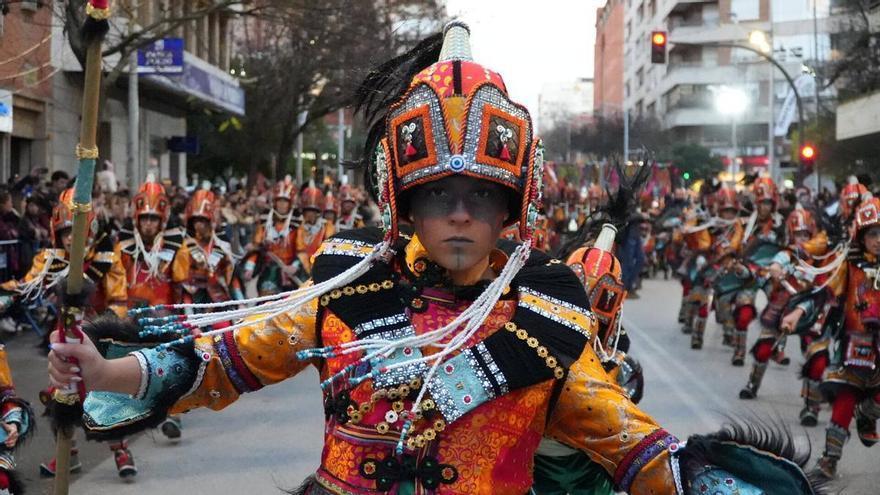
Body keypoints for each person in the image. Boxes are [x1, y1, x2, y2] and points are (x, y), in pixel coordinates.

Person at [48, 22, 821, 495]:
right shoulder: (344, 288)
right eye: (440, 193)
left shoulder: (544, 319)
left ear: (510, 205)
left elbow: (629, 442)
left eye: (482, 196)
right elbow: (224, 361)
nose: (459, 211)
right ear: (404, 200)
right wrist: (105, 369)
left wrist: (700, 479)